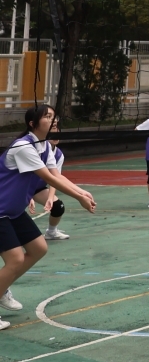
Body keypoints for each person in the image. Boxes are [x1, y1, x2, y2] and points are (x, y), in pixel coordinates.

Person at [0, 105, 97, 327]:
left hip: (13, 211)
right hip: (0, 211)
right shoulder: (24, 147)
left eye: (54, 116)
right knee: (15, 259)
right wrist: (78, 198)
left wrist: (82, 192)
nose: (53, 120)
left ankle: (2, 287)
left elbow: (57, 175)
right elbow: (48, 178)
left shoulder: (45, 146)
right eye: (47, 117)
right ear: (32, 124)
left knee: (39, 249)